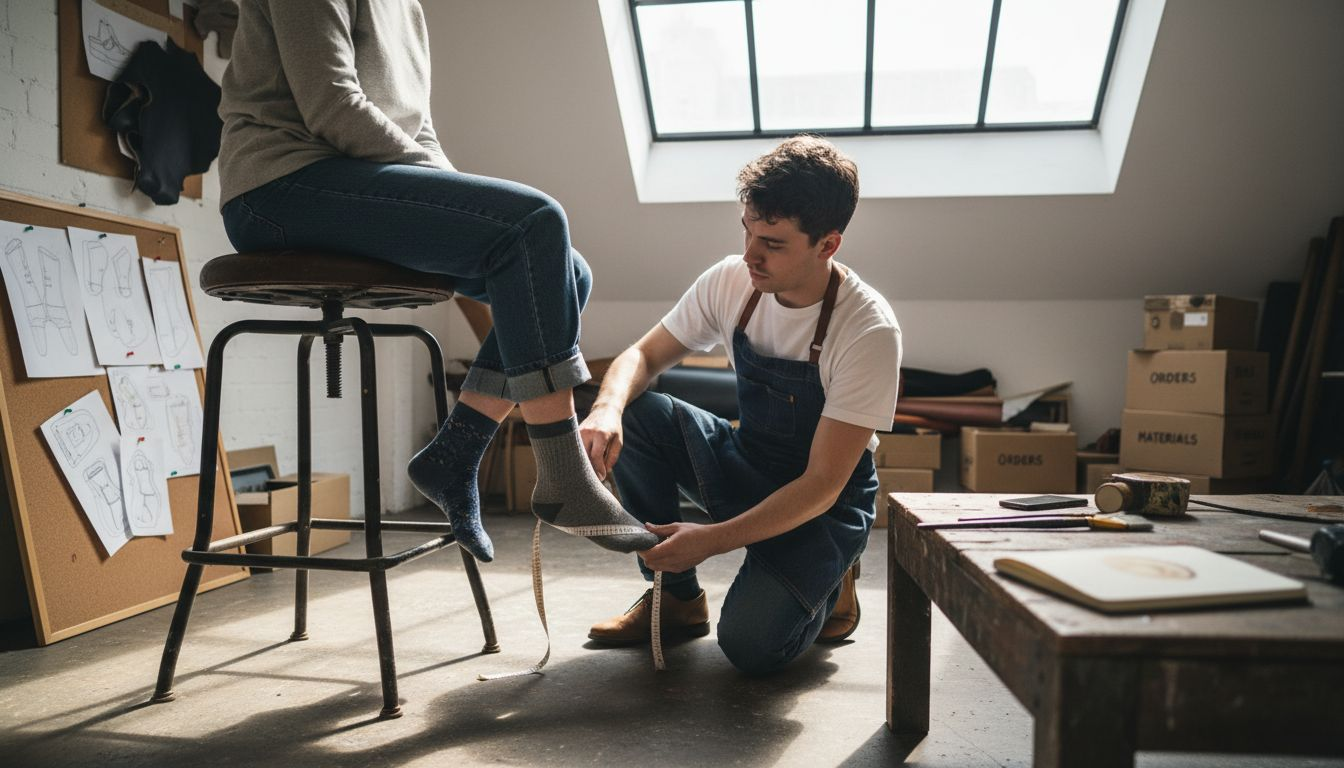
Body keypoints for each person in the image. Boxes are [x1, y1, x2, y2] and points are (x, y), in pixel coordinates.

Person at [215, 0, 656, 562]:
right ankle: (564, 475)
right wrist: (454, 198)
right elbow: (332, 105)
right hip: (278, 187)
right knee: (537, 221)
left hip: (355, 181)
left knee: (565, 271)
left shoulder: (408, 8)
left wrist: (458, 203)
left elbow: (419, 131)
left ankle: (454, 455)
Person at [579, 136, 902, 674]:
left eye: (773, 243)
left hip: (824, 500)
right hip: (750, 460)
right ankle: (675, 602)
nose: (751, 254)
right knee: (638, 414)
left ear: (827, 244)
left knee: (751, 647)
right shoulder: (733, 280)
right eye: (747, 232)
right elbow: (643, 355)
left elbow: (823, 483)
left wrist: (708, 541)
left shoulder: (868, 329)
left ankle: (833, 577)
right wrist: (606, 409)